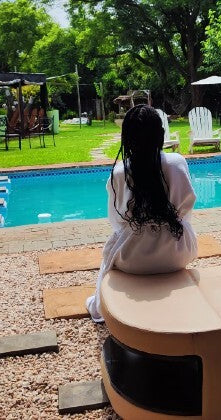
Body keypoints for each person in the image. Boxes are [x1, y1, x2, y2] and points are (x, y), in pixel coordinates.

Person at [86, 104, 198, 323]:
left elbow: (116, 221)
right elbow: (186, 211)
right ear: (161, 135)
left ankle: (98, 304)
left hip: (133, 259)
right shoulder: (177, 163)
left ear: (127, 139)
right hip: (178, 253)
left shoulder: (120, 172)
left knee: (111, 248)